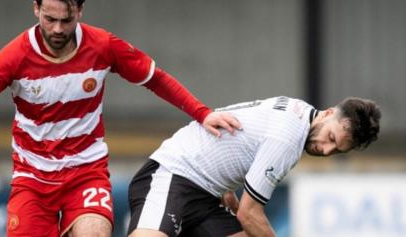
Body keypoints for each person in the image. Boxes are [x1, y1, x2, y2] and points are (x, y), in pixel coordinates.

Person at [0, 0, 241, 237]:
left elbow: (156, 79)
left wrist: (202, 114)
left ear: (80, 12)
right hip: (32, 177)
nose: (58, 28)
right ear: (36, 10)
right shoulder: (15, 56)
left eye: (67, 19)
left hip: (86, 171)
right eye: (50, 19)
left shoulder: (102, 45)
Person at [128, 96, 381, 237]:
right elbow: (249, 214)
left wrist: (225, 187)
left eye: (337, 150)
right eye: (331, 138)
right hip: (172, 176)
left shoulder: (298, 109)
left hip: (206, 195)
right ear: (327, 114)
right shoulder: (289, 138)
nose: (325, 150)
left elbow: (240, 134)